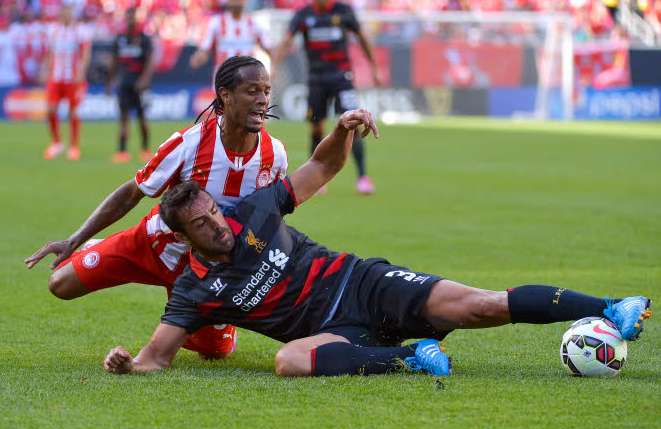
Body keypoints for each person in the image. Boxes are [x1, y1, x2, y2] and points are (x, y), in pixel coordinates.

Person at [101, 109, 652, 377]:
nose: (218, 224)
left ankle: (613, 308)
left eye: (215, 212)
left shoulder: (256, 211)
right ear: (186, 237)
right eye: (203, 224)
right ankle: (410, 358)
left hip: (362, 284)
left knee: (482, 307)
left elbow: (320, 166)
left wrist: (341, 130)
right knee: (290, 362)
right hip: (332, 332)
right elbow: (156, 358)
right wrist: (127, 365)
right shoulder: (194, 289)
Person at [26, 56, 289, 359]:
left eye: (266, 91)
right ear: (225, 95)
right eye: (252, 91)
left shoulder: (276, 156)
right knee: (60, 284)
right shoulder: (189, 144)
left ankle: (205, 322)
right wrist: (75, 239)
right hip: (153, 244)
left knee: (215, 352)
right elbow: (132, 193)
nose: (262, 100)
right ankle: (104, 246)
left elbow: (268, 220)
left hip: (204, 273)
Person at [273, 0, 381, 195]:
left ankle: (363, 177)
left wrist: (374, 66)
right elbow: (287, 40)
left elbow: (362, 37)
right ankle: (316, 179)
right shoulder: (304, 15)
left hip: (342, 78)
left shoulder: (343, 11)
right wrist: (273, 68)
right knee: (316, 127)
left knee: (354, 124)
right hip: (317, 80)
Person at [42, 5, 92, 161]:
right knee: (50, 110)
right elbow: (50, 53)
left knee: (74, 112)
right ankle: (57, 142)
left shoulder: (80, 31)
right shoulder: (53, 31)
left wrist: (81, 72)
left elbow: (85, 53)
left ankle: (74, 146)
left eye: (69, 12)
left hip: (73, 78)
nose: (67, 15)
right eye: (64, 12)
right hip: (56, 78)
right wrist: (45, 69)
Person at [107, 7, 155, 164]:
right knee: (123, 118)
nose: (130, 20)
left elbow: (149, 61)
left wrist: (144, 80)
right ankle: (122, 151)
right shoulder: (119, 39)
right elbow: (114, 61)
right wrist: (109, 81)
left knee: (142, 119)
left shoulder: (144, 39)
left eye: (132, 17)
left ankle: (145, 149)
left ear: (136, 19)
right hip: (124, 85)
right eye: (128, 17)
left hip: (140, 86)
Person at [189, 0, 270, 79]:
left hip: (247, 77)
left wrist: (274, 66)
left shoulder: (254, 23)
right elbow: (205, 49)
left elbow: (268, 48)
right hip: (224, 76)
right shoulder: (217, 22)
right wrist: (198, 58)